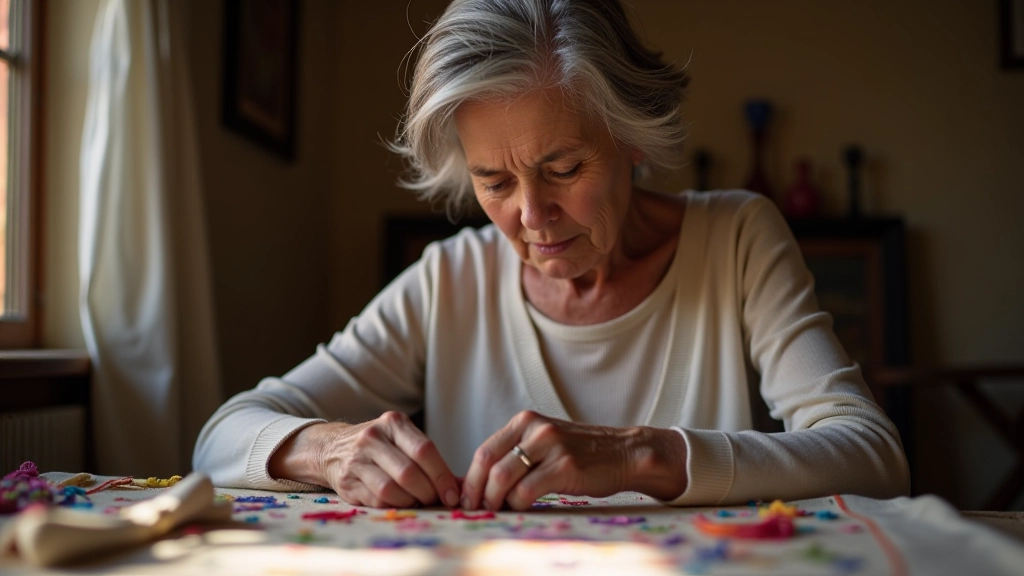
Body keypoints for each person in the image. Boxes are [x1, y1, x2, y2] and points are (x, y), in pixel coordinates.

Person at [193, 0, 910, 511]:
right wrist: (329, 450)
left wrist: (638, 456)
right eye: (495, 182)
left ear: (632, 138)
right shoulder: (452, 280)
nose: (532, 217)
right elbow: (221, 436)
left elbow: (874, 457)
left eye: (564, 169)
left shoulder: (737, 238)